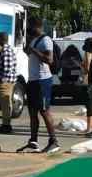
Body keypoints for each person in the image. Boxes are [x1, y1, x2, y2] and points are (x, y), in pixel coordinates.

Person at [18, 18, 61, 154]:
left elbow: (49, 59)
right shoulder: (34, 39)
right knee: (32, 112)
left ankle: (54, 141)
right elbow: (27, 51)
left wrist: (34, 50)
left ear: (37, 27)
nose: (29, 29)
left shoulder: (46, 40)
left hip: (42, 81)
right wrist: (28, 44)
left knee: (44, 111)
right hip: (33, 80)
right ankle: (33, 141)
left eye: (30, 26)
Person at [0, 32, 17, 134]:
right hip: (7, 81)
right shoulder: (7, 49)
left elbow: (7, 68)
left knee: (5, 105)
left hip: (5, 82)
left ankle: (6, 125)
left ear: (1, 39)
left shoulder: (6, 51)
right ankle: (6, 124)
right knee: (6, 104)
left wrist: (0, 79)